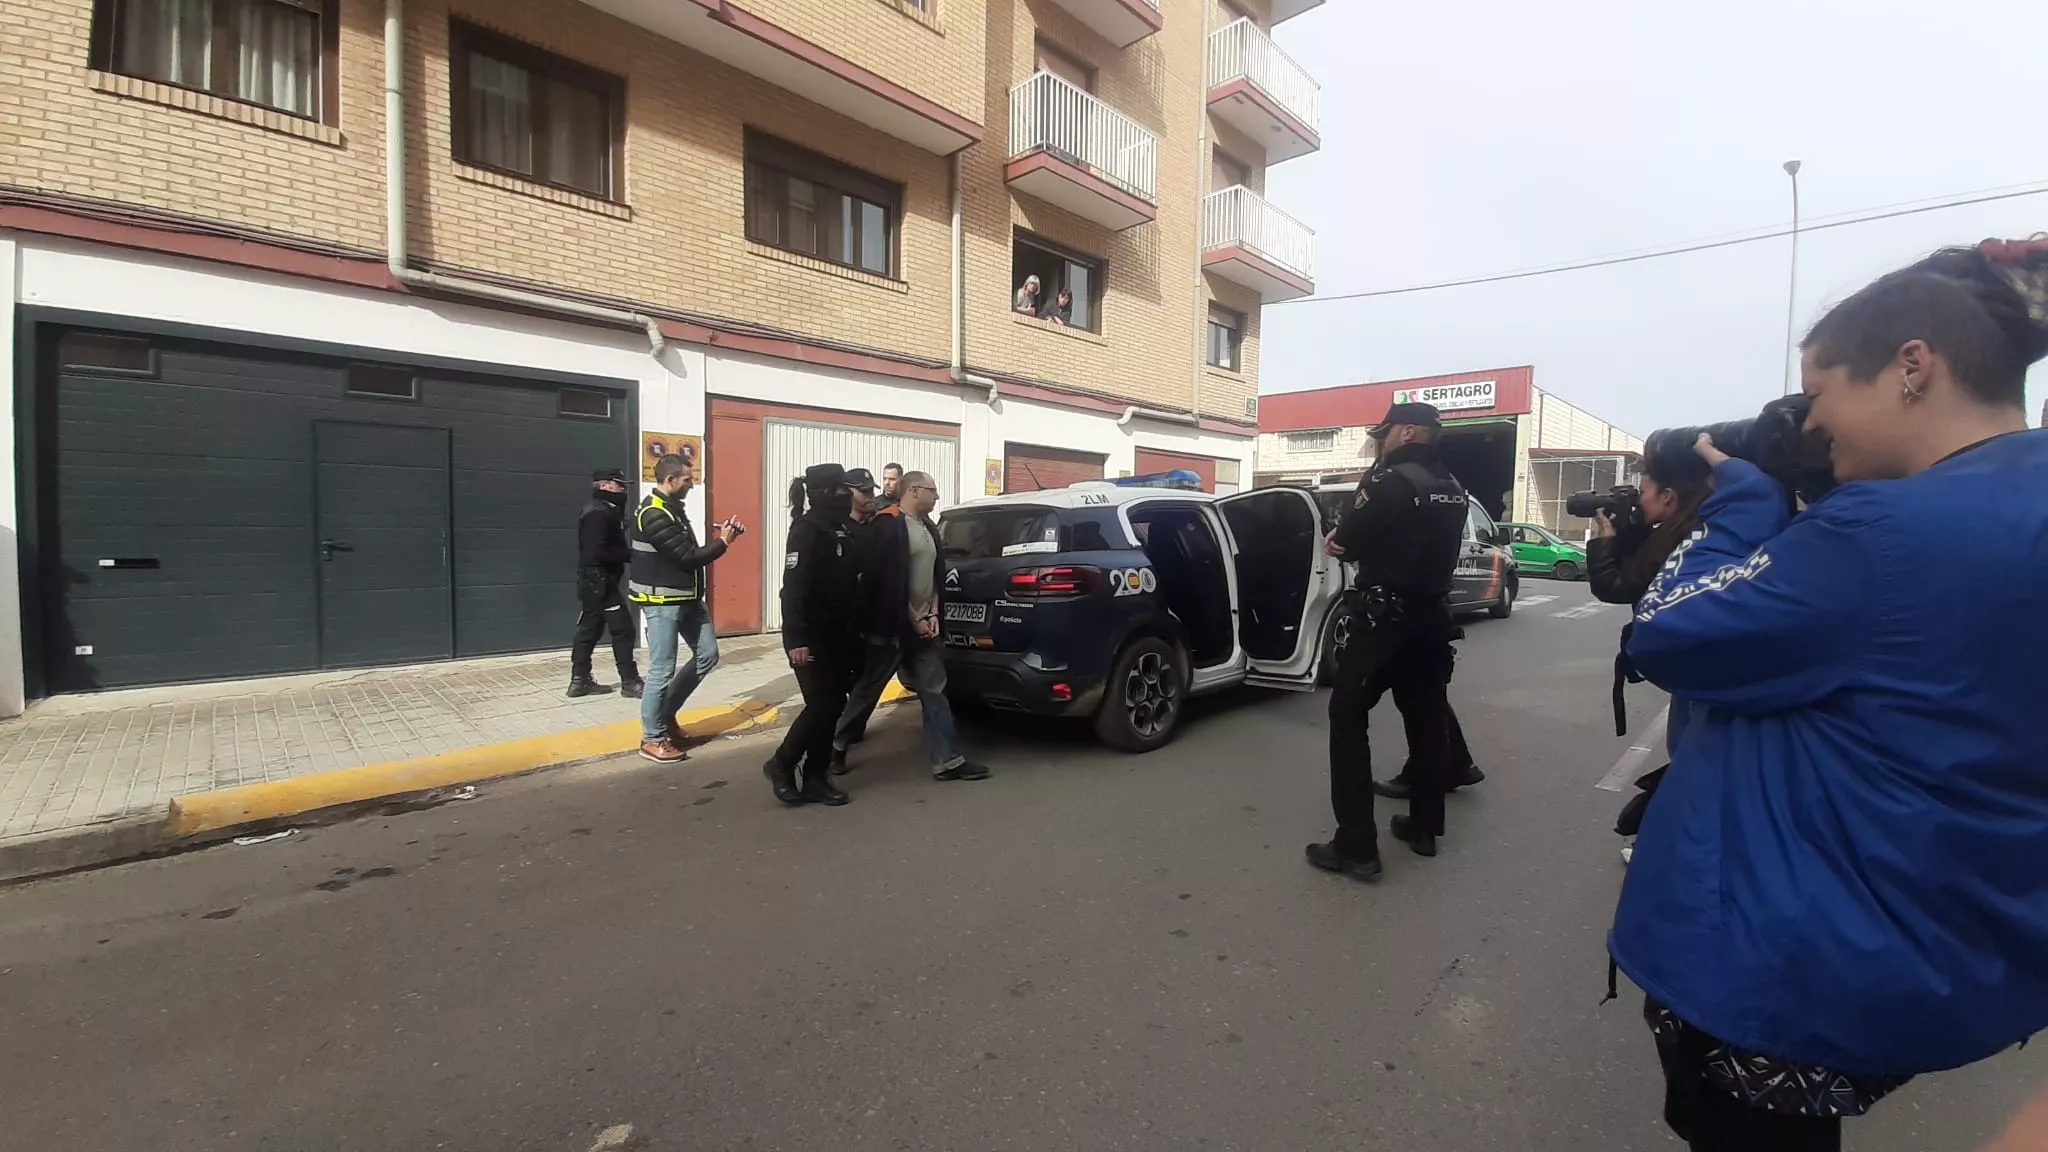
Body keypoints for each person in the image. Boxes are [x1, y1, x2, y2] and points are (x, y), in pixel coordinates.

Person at [1610, 239, 2048, 1151]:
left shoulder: (1879, 531)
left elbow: (1668, 632)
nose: (1810, 427)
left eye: (1820, 396)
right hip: (1939, 932)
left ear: (1911, 368)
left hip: (1790, 965)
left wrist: (1739, 498)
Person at [1305, 401, 1470, 881]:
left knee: (1347, 717)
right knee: (1424, 719)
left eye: (1386, 432)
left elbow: (1347, 540)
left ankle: (1355, 845)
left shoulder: (1390, 481)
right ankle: (1424, 827)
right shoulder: (1453, 488)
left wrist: (1345, 538)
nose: (1381, 441)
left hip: (1383, 620)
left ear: (1409, 431)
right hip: (1431, 619)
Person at [1585, 432, 1714, 864]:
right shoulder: (1691, 525)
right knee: (1692, 753)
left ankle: (1671, 845)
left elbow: (1620, 584)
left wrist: (1604, 539)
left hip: (1700, 675)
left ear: (1669, 495)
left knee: (1691, 757)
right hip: (1700, 667)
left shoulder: (1681, 538)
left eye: (1642, 494)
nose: (1638, 502)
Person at [832, 470, 991, 782]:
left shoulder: (928, 527)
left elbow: (933, 575)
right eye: (932, 490)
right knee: (868, 690)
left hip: (924, 627)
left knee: (934, 690)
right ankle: (836, 743)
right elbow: (885, 580)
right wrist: (913, 618)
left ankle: (947, 761)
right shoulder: (888, 523)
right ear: (915, 491)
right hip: (891, 627)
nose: (936, 496)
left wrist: (931, 613)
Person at [627, 453, 740, 764]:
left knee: (707, 654)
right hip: (662, 603)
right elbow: (686, 557)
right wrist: (724, 542)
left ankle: (665, 717)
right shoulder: (653, 512)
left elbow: (684, 551)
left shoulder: (672, 509)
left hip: (687, 598)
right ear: (669, 480)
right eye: (687, 479)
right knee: (661, 669)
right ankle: (652, 738)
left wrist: (720, 539)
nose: (692, 484)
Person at [764, 464, 860, 807]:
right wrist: (796, 639)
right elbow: (793, 590)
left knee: (833, 705)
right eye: (839, 490)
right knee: (822, 704)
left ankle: (816, 777)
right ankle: (782, 763)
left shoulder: (840, 528)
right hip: (812, 637)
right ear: (822, 494)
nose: (846, 495)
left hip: (839, 635)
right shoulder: (808, 530)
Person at [829, 467, 893, 772]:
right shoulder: (835, 529)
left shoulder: (875, 526)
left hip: (872, 620)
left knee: (863, 682)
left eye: (871, 491)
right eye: (863, 492)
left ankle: (847, 732)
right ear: (847, 493)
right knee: (844, 684)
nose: (869, 497)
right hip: (843, 622)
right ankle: (835, 738)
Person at [568, 467, 642, 699]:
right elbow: (596, 551)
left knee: (590, 629)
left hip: (595, 581)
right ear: (604, 486)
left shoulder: (605, 510)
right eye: (619, 484)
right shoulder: (597, 513)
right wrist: (630, 555)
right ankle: (629, 682)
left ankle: (579, 681)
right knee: (623, 630)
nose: (623, 489)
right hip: (599, 582)